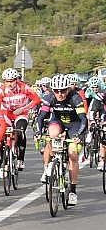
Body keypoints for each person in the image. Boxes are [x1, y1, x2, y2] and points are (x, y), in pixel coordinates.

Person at [37, 73, 87, 205]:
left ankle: (73, 191)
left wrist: (79, 135)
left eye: (63, 90)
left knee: (73, 154)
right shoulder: (50, 97)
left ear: (68, 89)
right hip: (58, 121)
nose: (60, 94)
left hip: (74, 125)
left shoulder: (75, 98)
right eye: (57, 91)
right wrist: (38, 132)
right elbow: (41, 117)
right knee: (51, 135)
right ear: (53, 90)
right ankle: (49, 166)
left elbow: (83, 119)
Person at [0, 67, 41, 171]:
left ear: (16, 80)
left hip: (21, 113)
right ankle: (2, 158)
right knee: (3, 132)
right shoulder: (1, 90)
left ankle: (20, 159)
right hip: (7, 113)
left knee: (20, 131)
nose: (10, 84)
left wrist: (23, 109)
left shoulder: (24, 88)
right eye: (7, 81)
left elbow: (37, 100)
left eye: (12, 81)